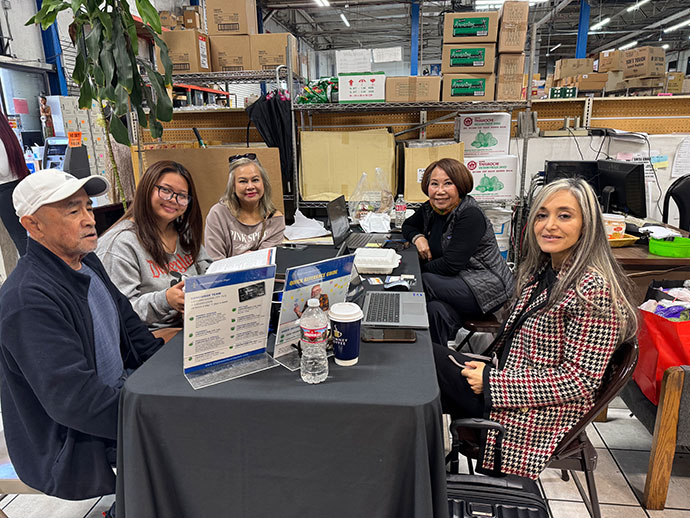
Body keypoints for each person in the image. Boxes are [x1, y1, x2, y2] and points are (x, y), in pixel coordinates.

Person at [433, 178, 639, 480]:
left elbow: (579, 381)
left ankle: (411, 479)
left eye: (564, 215)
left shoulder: (593, 290)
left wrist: (492, 382)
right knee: (421, 360)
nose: (549, 225)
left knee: (421, 370)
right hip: (512, 382)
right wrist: (490, 370)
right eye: (542, 215)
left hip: (535, 412)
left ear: (587, 225)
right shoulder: (547, 271)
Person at [0, 170, 163, 513]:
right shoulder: (28, 300)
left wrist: (167, 374)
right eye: (72, 211)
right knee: (190, 437)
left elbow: (129, 324)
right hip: (72, 439)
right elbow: (76, 403)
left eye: (88, 207)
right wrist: (157, 413)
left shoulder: (86, 260)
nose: (89, 219)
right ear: (33, 225)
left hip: (118, 393)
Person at [401, 158, 514, 346]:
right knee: (436, 310)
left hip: (486, 287)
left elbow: (450, 265)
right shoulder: (431, 208)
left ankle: (394, 328)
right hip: (454, 282)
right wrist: (418, 238)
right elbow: (408, 225)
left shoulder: (470, 214)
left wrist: (414, 270)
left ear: (460, 186)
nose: (440, 191)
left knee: (423, 281)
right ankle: (436, 356)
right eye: (434, 184)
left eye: (448, 184)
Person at [97, 161, 212, 330]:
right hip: (151, 336)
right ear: (147, 189)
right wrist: (165, 300)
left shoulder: (184, 234)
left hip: (192, 326)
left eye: (182, 196)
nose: (173, 200)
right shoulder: (120, 244)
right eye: (165, 190)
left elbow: (207, 272)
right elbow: (118, 311)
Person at [204, 154, 285, 260]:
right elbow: (215, 261)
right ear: (233, 186)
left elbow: (265, 262)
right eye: (243, 181)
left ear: (264, 183)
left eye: (255, 180)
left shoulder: (274, 219)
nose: (250, 187)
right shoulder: (218, 214)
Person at [0, 111, 30, 256]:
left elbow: (3, 170)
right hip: (17, 186)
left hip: (6, 192)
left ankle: (38, 268)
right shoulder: (6, 134)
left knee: (22, 242)